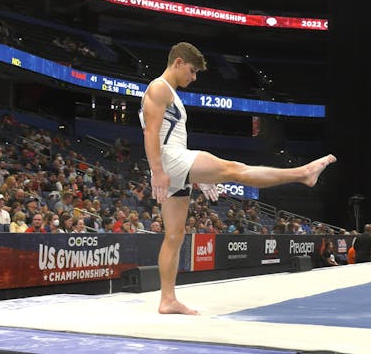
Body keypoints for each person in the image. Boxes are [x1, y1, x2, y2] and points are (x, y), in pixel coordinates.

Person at [139, 42, 337, 314]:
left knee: (174, 235)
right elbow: (151, 133)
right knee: (235, 169)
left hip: (175, 162)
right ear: (178, 63)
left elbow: (164, 135)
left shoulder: (169, 92)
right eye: (193, 71)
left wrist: (193, 173)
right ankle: (303, 174)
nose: (194, 77)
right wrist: (159, 171)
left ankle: (167, 299)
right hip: (171, 160)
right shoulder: (159, 88)